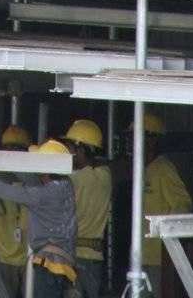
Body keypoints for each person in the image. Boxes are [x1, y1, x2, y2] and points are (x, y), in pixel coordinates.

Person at [0, 140, 77, 298]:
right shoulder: (65, 185)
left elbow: (6, 191)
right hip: (64, 266)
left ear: (45, 170)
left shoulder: (43, 195)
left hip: (49, 266)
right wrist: (7, 161)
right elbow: (31, 179)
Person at [135, 115, 192, 298]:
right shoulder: (143, 169)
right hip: (142, 255)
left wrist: (168, 238)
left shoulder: (164, 170)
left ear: (150, 141)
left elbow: (183, 205)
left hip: (158, 258)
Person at [0, 124, 31, 297]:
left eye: (15, 149)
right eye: (7, 149)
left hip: (29, 257)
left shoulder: (34, 180)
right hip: (3, 257)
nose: (11, 154)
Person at [64, 119, 111, 298]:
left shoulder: (72, 179)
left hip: (72, 255)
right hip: (93, 258)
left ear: (81, 149)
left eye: (70, 148)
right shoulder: (105, 176)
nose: (68, 153)